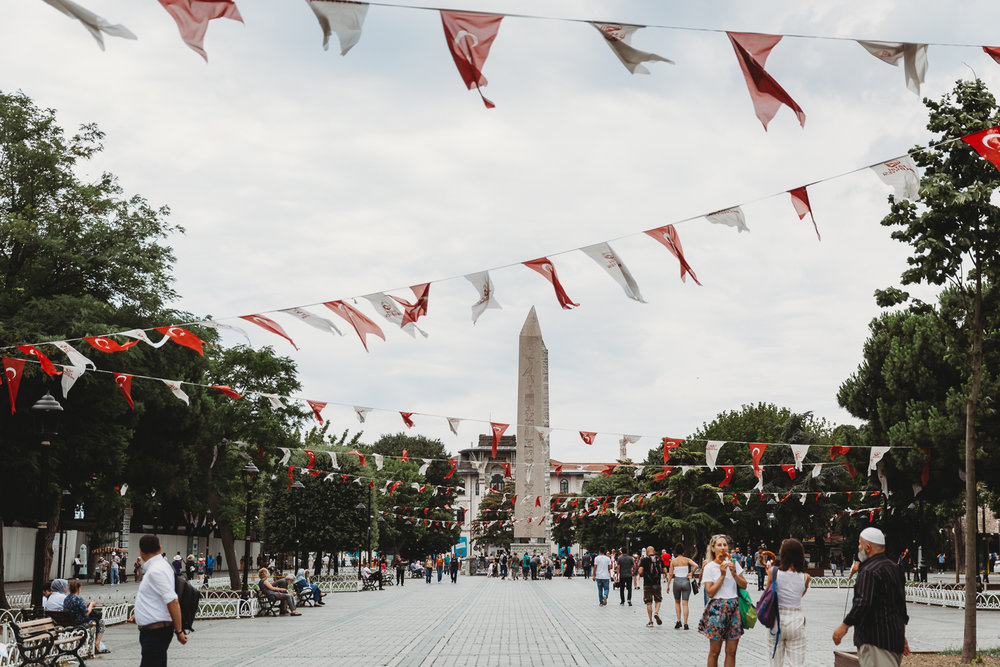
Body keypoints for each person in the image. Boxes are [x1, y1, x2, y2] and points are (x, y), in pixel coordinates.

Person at [833, 527, 910, 667]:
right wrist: (901, 634)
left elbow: (863, 602)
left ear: (868, 547)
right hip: (894, 640)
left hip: (875, 640)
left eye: (860, 544)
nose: (858, 548)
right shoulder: (895, 569)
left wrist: (844, 626)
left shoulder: (868, 571)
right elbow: (900, 606)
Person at [699, 534, 747, 667]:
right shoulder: (709, 567)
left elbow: (744, 584)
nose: (722, 548)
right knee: (715, 652)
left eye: (724, 545)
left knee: (732, 651)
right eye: (719, 545)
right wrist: (722, 575)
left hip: (734, 607)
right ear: (713, 548)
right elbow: (710, 592)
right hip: (716, 608)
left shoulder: (734, 564)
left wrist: (734, 574)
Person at [765, 538, 811, 667]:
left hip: (776, 619)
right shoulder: (805, 577)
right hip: (796, 619)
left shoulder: (773, 572)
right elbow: (799, 595)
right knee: (797, 664)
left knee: (774, 663)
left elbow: (768, 594)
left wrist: (769, 572)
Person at [65, 578, 109, 654]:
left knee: (97, 620)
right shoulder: (78, 598)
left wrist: (86, 605)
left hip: (70, 622)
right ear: (79, 588)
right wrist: (91, 604)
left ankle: (95, 645)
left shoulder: (67, 598)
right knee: (101, 622)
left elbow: (77, 609)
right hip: (80, 623)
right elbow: (86, 613)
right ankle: (96, 644)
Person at [668, 542, 697, 630]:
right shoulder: (687, 559)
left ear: (676, 552)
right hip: (686, 582)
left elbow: (670, 574)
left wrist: (668, 585)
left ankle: (678, 621)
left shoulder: (673, 561)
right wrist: (691, 572)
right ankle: (685, 623)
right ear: (683, 552)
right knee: (685, 604)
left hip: (676, 582)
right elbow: (696, 565)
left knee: (677, 602)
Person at [638, 546, 663, 627]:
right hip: (657, 583)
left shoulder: (644, 560)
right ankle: (656, 612)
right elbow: (665, 570)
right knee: (658, 600)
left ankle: (650, 621)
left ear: (647, 552)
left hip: (647, 583)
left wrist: (643, 574)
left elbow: (640, 571)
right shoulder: (659, 559)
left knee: (648, 602)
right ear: (654, 551)